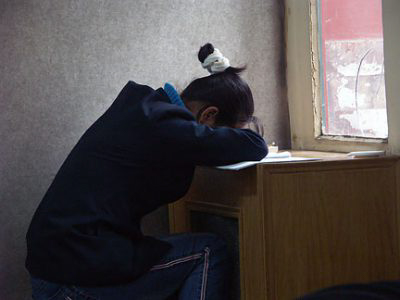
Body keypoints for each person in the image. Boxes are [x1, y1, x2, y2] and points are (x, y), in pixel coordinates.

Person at [25, 43, 267, 300]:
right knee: (208, 251)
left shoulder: (147, 109)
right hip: (73, 273)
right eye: (230, 130)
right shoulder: (165, 125)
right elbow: (256, 146)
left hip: (55, 265)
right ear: (208, 116)